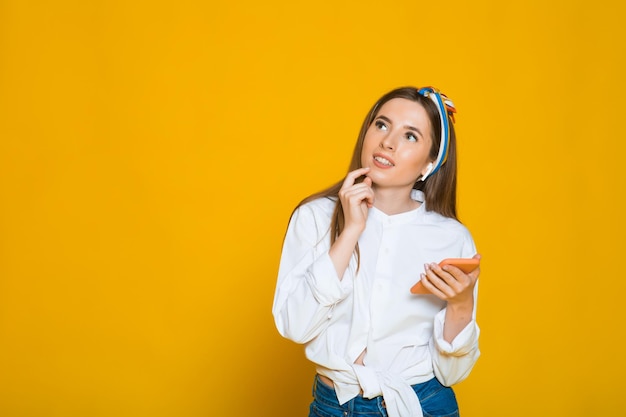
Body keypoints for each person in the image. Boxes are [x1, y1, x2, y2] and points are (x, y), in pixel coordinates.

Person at [272, 86, 481, 417]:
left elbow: (452, 374)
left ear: (431, 162)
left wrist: (460, 306)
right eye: (382, 125)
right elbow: (295, 327)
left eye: (410, 135)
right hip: (335, 406)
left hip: (422, 404)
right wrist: (351, 231)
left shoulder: (451, 237)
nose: (388, 141)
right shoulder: (314, 217)